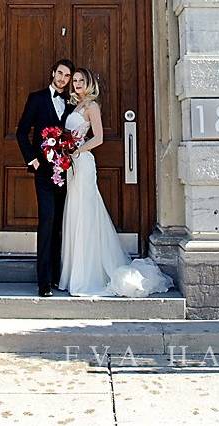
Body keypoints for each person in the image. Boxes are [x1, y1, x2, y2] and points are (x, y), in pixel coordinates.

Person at [58, 68, 172, 297]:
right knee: (74, 212)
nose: (77, 83)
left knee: (87, 213)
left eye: (82, 80)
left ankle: (89, 275)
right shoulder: (75, 106)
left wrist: (77, 150)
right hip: (72, 165)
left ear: (89, 83)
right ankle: (73, 274)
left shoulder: (92, 106)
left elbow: (98, 138)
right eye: (76, 80)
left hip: (84, 162)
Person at [16, 59, 75, 297]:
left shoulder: (72, 103)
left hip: (67, 172)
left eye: (67, 76)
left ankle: (59, 275)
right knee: (47, 221)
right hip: (44, 172)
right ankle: (43, 281)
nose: (62, 78)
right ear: (53, 73)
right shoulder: (37, 98)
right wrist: (33, 159)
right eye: (59, 73)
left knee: (62, 224)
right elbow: (22, 132)